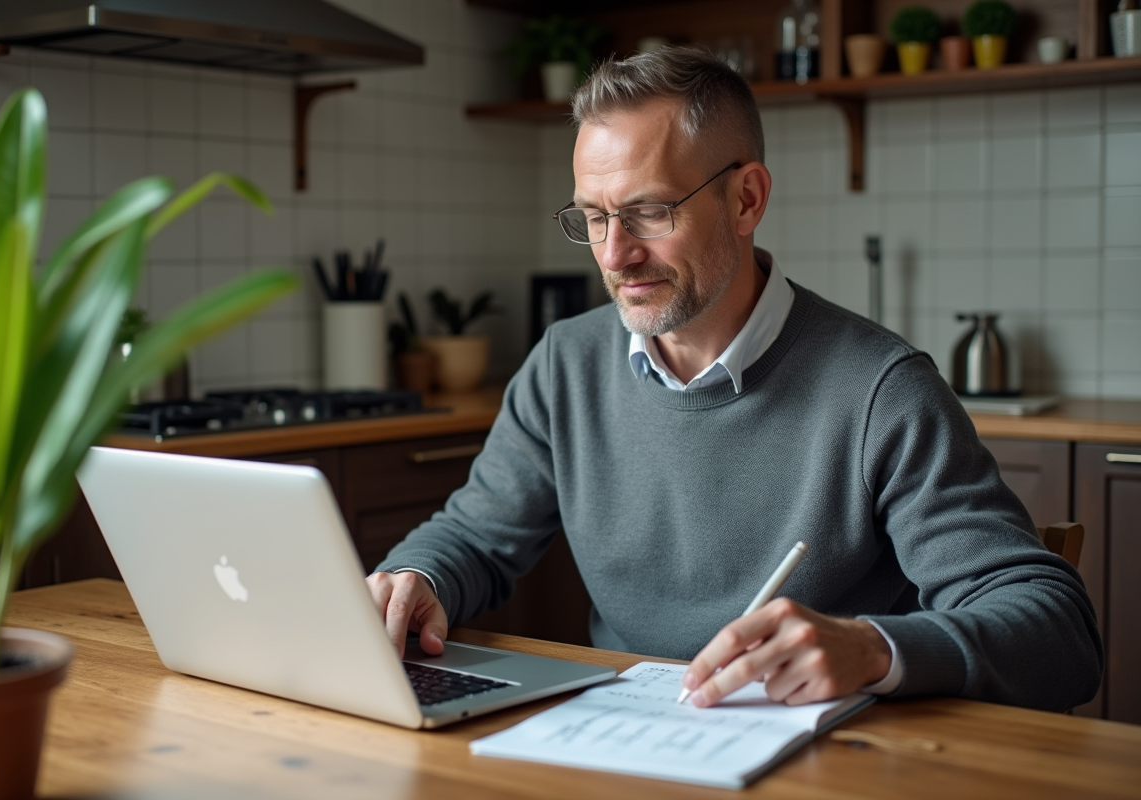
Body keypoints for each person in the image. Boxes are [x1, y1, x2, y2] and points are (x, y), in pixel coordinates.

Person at [367, 47, 1102, 711]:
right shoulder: (564, 364)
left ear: (747, 199)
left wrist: (875, 648)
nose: (615, 254)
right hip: (623, 748)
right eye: (593, 217)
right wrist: (415, 581)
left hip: (837, 760)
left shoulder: (884, 389)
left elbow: (1058, 634)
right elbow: (474, 537)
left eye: (649, 212)